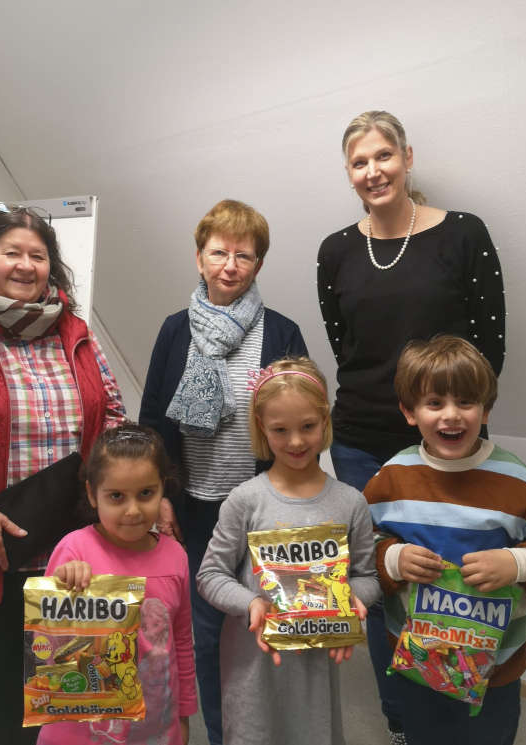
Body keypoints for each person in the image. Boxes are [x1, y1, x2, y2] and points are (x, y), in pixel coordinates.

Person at [317, 110, 506, 742]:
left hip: (445, 440)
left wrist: (454, 422)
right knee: (382, 580)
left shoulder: (463, 235)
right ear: (349, 173)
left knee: (454, 576)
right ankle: (402, 721)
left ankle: (459, 709)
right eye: (359, 162)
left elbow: (489, 347)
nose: (374, 171)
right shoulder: (336, 250)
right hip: (361, 444)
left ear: (408, 157)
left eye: (383, 156)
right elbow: (347, 348)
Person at [0, 202, 126, 745]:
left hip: (71, 550)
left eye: (38, 255)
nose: (26, 265)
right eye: (12, 253)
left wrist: (143, 493)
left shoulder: (74, 331)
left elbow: (114, 417)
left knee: (71, 701)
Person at [139, 198, 307, 744]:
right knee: (205, 636)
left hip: (264, 507)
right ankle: (220, 735)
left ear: (258, 264)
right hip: (195, 508)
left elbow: (303, 421)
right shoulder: (174, 331)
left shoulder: (281, 333)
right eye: (218, 252)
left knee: (269, 631)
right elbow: (152, 422)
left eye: (244, 255)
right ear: (199, 258)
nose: (230, 265)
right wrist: (160, 495)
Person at [364, 335, 526, 745]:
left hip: (497, 667)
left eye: (466, 402)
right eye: (435, 403)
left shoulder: (516, 480)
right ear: (409, 412)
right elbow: (360, 544)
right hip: (417, 661)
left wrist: (519, 563)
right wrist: (392, 559)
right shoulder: (392, 478)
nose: (452, 416)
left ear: (485, 409)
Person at [197, 357, 380, 745]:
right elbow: (210, 575)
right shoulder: (245, 500)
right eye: (281, 430)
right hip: (254, 669)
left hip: (317, 669)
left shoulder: (350, 502)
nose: (296, 442)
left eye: (308, 427)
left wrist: (352, 599)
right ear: (262, 427)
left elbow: (367, 576)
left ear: (325, 420)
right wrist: (251, 604)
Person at [37, 424, 196, 745]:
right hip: (80, 730)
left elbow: (181, 640)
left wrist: (184, 713)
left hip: (154, 726)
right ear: (92, 494)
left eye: (146, 493)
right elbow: (44, 641)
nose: (133, 510)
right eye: (116, 497)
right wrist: (65, 585)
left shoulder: (175, 554)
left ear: (163, 488)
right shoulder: (74, 550)